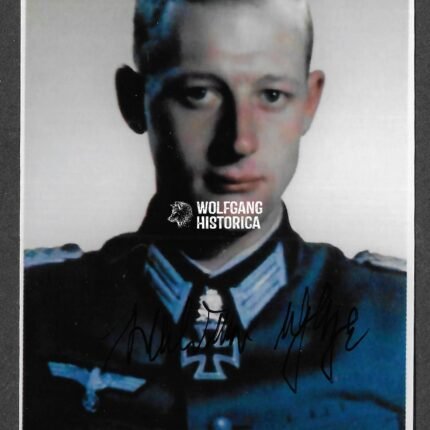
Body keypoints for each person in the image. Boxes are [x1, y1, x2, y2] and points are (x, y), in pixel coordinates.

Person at [24, 0, 407, 428]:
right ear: (135, 101)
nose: (240, 140)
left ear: (309, 102)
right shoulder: (29, 307)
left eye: (272, 95)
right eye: (199, 93)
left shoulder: (399, 320)